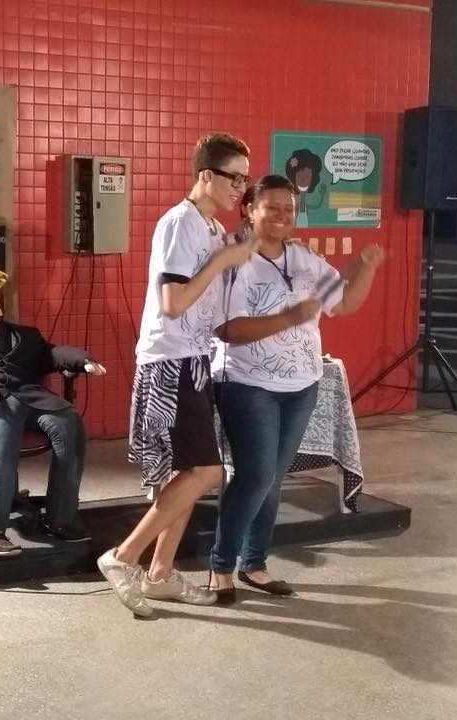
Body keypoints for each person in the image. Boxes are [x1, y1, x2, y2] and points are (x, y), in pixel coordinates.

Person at [97, 133, 258, 617]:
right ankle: (123, 557)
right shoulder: (179, 223)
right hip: (170, 360)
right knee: (207, 472)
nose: (240, 188)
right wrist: (223, 259)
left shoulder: (211, 227)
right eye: (234, 178)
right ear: (206, 174)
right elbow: (173, 302)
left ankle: (161, 573)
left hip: (195, 359)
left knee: (188, 473)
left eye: (245, 180)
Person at [209, 174, 385, 602]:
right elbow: (228, 330)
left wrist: (366, 266)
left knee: (271, 478)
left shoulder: (304, 259)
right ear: (249, 210)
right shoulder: (231, 258)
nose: (283, 215)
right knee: (254, 477)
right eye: (272, 207)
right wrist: (289, 318)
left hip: (302, 385)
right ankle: (221, 567)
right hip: (248, 384)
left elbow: (345, 303)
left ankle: (255, 563)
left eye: (289, 208)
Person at [0, 251, 106, 557]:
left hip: (33, 398)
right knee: (3, 430)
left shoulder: (24, 335)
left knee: (70, 423)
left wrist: (81, 359)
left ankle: (61, 518)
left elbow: (50, 354)